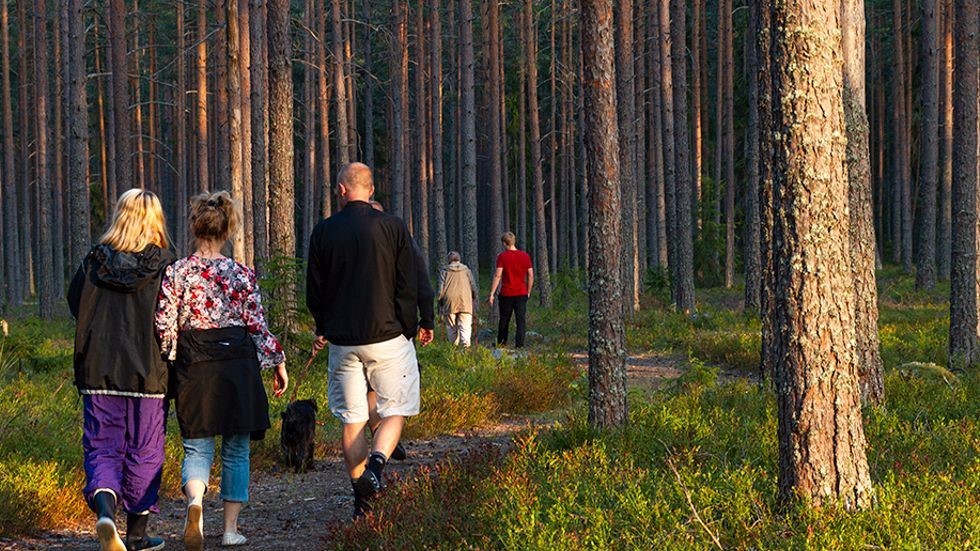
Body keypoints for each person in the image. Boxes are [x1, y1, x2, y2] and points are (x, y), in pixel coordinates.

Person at [156, 191, 288, 548]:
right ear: (228, 229)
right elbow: (257, 324)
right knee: (236, 450)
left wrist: (170, 360)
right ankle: (230, 530)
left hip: (194, 365)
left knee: (197, 449)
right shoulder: (241, 273)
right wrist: (277, 361)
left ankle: (196, 504)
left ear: (195, 227)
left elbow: (164, 325)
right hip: (236, 366)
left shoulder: (177, 272)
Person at [306, 162, 433, 518]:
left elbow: (314, 290)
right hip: (389, 336)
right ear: (371, 190)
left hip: (343, 340)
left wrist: (323, 325)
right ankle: (376, 468)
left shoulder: (324, 231)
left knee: (353, 419)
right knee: (396, 409)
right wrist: (411, 324)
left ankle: (362, 501)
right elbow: (408, 281)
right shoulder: (392, 226)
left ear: (342, 190)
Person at [68, 189, 175, 551]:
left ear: (119, 216)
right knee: (145, 451)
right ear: (155, 220)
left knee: (102, 448)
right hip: (150, 373)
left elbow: (75, 303)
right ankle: (136, 536)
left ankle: (105, 514)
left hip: (99, 372)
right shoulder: (165, 266)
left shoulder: (93, 263)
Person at [488, 232, 534, 348]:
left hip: (507, 293)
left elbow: (498, 275)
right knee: (520, 320)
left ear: (504, 243)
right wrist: (528, 291)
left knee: (504, 319)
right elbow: (530, 275)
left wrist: (492, 293)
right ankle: (520, 345)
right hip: (521, 293)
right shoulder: (525, 256)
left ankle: (502, 343)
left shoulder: (502, 257)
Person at [437, 251, 479, 347]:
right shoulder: (467, 270)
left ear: (449, 260)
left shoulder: (445, 271)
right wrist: (474, 298)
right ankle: (465, 349)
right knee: (465, 326)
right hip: (465, 301)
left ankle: (453, 348)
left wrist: (439, 301)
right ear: (459, 259)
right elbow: (473, 286)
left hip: (449, 301)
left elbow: (440, 290)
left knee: (451, 327)